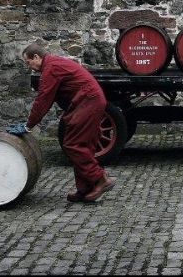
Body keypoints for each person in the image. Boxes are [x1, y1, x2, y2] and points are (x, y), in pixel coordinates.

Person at [7, 43, 115, 203]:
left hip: (88, 101)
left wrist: (28, 125)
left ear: (36, 57)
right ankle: (85, 188)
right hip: (88, 100)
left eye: (28, 62)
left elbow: (43, 100)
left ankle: (100, 179)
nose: (29, 67)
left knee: (73, 144)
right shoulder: (54, 64)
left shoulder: (50, 69)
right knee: (83, 145)